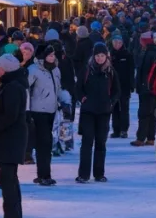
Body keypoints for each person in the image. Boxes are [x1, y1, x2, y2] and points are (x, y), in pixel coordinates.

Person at [0, 54, 29, 218]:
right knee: (9, 179)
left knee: (7, 179)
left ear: (5, 69)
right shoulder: (11, 85)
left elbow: (10, 115)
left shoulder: (12, 87)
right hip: (10, 139)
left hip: (10, 139)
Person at [27, 44, 69, 186]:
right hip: (38, 111)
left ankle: (43, 174)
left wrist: (63, 101)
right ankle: (45, 174)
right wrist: (27, 110)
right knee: (44, 143)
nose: (52, 57)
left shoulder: (56, 70)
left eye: (53, 55)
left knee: (45, 143)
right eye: (50, 55)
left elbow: (58, 88)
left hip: (51, 110)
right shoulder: (33, 70)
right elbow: (25, 89)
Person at [77, 42, 118, 183]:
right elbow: (78, 88)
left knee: (101, 143)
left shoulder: (110, 71)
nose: (100, 58)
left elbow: (117, 90)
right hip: (88, 111)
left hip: (104, 113)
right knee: (87, 143)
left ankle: (99, 174)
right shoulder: (87, 70)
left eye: (102, 56)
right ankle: (83, 174)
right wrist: (82, 98)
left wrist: (111, 102)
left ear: (106, 56)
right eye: (97, 56)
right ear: (93, 56)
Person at [132, 33, 156, 147]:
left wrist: (145, 85)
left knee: (144, 113)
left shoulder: (150, 53)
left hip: (147, 88)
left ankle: (141, 137)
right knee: (151, 113)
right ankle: (150, 137)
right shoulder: (151, 52)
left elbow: (149, 72)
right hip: (148, 87)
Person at [109, 33, 135, 139]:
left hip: (124, 85)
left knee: (124, 108)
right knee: (114, 109)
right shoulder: (110, 55)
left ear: (122, 43)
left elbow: (131, 71)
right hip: (113, 86)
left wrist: (131, 84)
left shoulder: (127, 55)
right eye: (115, 42)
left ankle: (124, 130)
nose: (117, 44)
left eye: (119, 42)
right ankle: (116, 130)